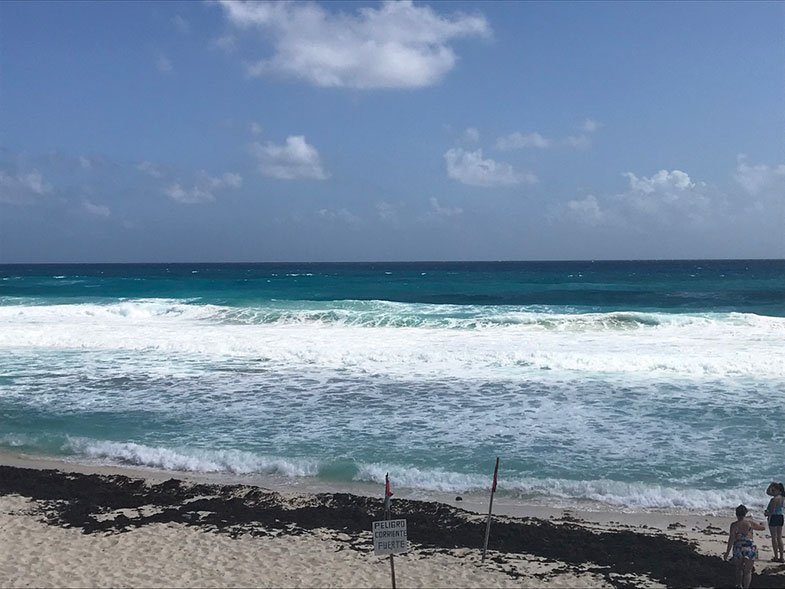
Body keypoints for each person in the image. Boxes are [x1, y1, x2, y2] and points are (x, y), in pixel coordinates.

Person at [724, 504, 765, 589]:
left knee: (738, 568)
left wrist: (727, 552)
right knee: (748, 571)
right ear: (745, 513)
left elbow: (731, 538)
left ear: (736, 514)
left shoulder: (734, 525)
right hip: (750, 547)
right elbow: (762, 528)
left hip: (738, 547)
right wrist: (763, 523)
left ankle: (739, 585)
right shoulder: (750, 523)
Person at [764, 482, 785, 562]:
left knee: (774, 537)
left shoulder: (774, 499)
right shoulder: (782, 497)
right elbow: (768, 492)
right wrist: (771, 486)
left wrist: (766, 513)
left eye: (774, 490)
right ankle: (782, 557)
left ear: (778, 490)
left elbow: (771, 511)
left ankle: (776, 556)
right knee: (779, 537)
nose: (772, 491)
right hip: (780, 516)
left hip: (773, 517)